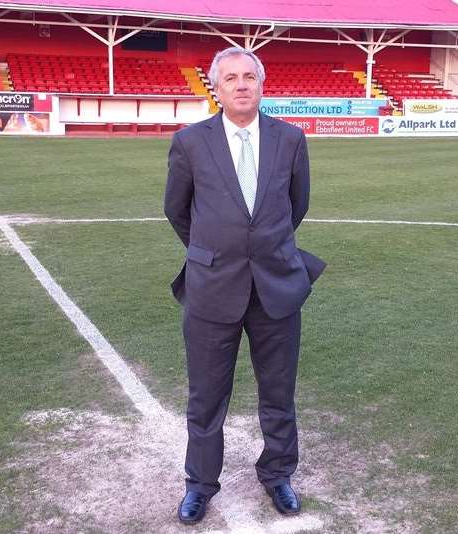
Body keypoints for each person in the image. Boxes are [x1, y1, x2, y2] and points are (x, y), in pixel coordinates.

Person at [164, 47, 325, 524]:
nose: (240, 84)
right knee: (206, 396)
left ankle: (278, 475)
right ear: (216, 86)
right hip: (212, 286)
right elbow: (177, 209)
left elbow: (297, 205)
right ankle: (200, 483)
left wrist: (262, 248)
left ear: (261, 83)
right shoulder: (191, 142)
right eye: (230, 77)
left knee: (278, 391)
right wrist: (216, 251)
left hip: (276, 286)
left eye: (248, 76)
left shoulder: (291, 139)